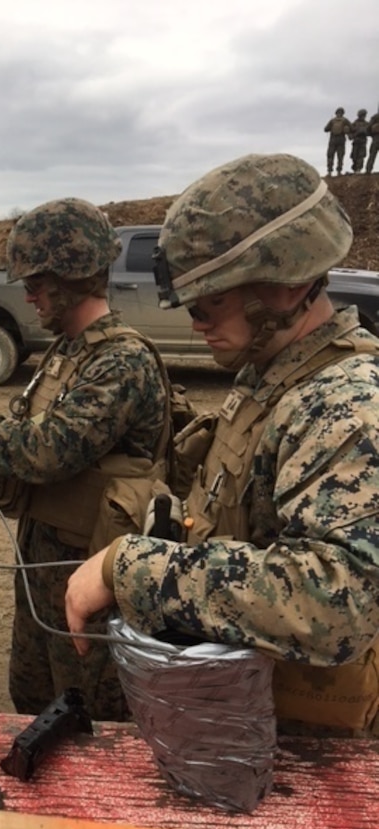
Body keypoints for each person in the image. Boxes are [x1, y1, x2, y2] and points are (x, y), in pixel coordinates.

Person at [65, 153, 379, 737]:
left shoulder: (345, 404)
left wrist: (129, 569)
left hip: (303, 752)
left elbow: (340, 599)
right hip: (244, 713)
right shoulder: (271, 374)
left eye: (210, 304)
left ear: (281, 285)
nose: (197, 325)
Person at [0, 198, 171, 721]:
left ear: (73, 277)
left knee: (92, 719)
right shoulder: (68, 350)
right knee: (33, 699)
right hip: (43, 556)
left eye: (36, 282)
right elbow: (24, 437)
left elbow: (45, 451)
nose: (28, 295)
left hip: (90, 566)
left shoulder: (121, 360)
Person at [324, 107, 351, 175]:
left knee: (330, 155)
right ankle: (339, 171)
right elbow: (352, 128)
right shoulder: (345, 120)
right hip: (341, 139)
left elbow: (326, 129)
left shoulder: (332, 120)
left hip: (333, 139)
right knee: (340, 156)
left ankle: (329, 171)